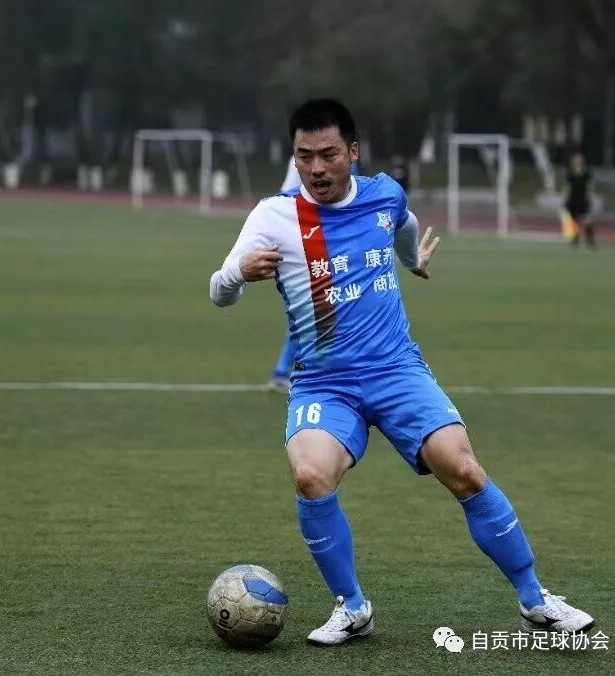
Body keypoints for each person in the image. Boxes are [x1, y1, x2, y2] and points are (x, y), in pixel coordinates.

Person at [210, 99, 594, 646]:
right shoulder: (273, 217)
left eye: (327, 154)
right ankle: (352, 608)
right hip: (324, 383)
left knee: (463, 468)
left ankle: (535, 600)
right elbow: (218, 292)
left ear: (353, 152)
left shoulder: (385, 195)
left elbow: (405, 227)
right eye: (303, 156)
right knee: (311, 476)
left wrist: (413, 260)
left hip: (397, 371)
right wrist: (237, 275)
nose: (316, 168)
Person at [269, 154, 359, 391]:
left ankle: (291, 370)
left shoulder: (344, 158)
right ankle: (293, 371)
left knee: (326, 311)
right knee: (318, 312)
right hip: (311, 243)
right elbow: (287, 198)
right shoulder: (303, 159)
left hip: (332, 244)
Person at [564, 151, 595, 248]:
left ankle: (589, 239)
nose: (578, 162)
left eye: (579, 160)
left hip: (583, 199)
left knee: (587, 220)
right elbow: (567, 187)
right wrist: (565, 197)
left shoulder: (586, 173)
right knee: (574, 221)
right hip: (572, 200)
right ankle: (575, 239)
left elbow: (590, 186)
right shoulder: (570, 173)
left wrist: (590, 196)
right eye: (576, 160)